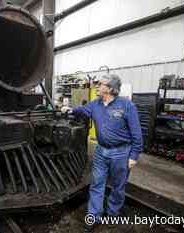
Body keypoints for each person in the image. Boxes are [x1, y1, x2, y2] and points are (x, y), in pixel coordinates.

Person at [66, 74, 143, 232]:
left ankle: (113, 213)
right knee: (97, 184)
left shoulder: (127, 106)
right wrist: (69, 109)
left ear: (110, 88)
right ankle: (93, 216)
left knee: (118, 186)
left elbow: (137, 134)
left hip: (121, 153)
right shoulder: (95, 104)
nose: (96, 86)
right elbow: (81, 110)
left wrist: (134, 156)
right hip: (101, 151)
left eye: (100, 84)